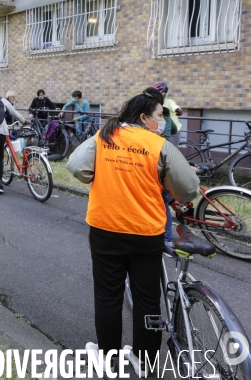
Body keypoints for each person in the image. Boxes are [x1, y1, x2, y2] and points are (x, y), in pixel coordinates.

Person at [67, 91, 199, 376]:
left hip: (106, 228)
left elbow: (76, 165)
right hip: (146, 232)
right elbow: (189, 190)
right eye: (160, 115)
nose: (163, 121)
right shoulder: (158, 145)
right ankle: (144, 360)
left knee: (108, 296)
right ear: (144, 117)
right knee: (147, 299)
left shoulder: (106, 135)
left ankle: (108, 359)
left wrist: (98, 176)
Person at [153, 82, 183, 147]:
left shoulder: (169, 102)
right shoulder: (155, 103)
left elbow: (173, 106)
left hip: (173, 131)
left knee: (172, 151)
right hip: (161, 130)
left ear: (163, 94)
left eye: (159, 94)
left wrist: (178, 110)